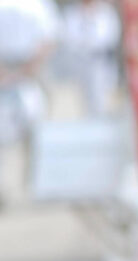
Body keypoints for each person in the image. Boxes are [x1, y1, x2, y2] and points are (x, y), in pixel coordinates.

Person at [0, 0, 60, 204]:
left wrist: (31, 66)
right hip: (4, 68)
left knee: (38, 129)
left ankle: (38, 182)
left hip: (33, 69)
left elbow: (50, 38)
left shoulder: (39, 5)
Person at [62, 0, 121, 116]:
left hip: (101, 61)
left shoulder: (106, 11)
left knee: (102, 99)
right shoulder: (72, 12)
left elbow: (111, 36)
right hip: (79, 61)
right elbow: (67, 36)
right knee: (80, 102)